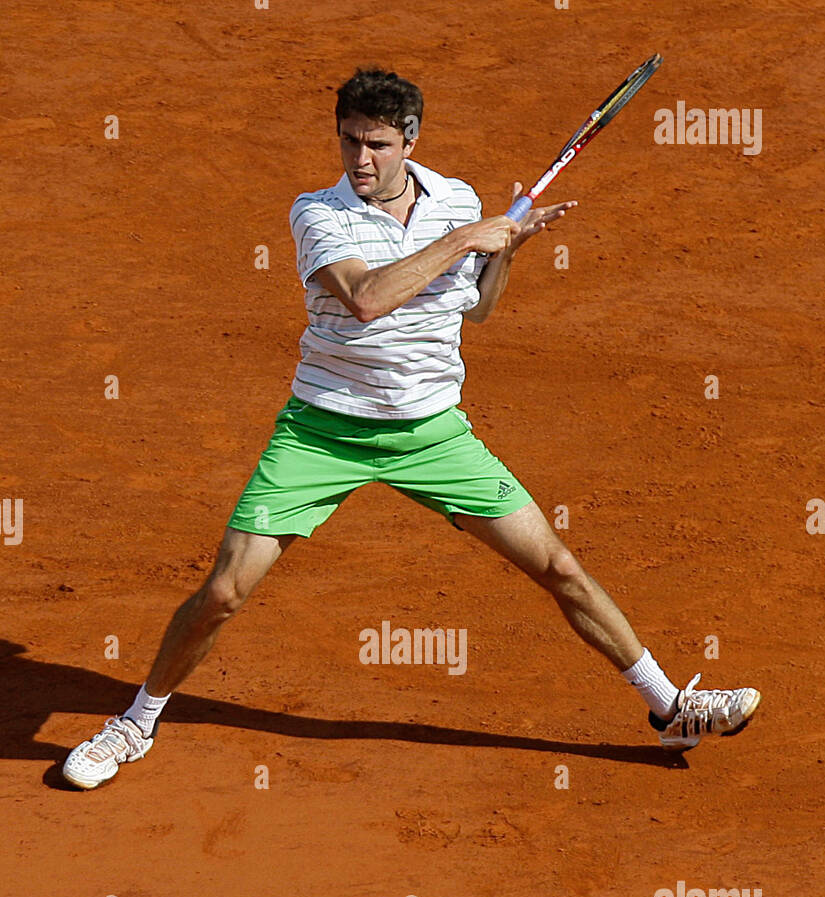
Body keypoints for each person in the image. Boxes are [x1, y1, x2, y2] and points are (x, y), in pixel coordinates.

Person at [62, 67, 760, 790]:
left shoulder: (455, 198)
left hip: (432, 434)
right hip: (322, 432)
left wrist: (504, 253)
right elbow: (366, 300)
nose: (358, 159)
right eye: (348, 141)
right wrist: (465, 238)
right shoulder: (318, 213)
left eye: (376, 144)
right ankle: (134, 724)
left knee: (557, 567)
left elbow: (477, 311)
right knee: (224, 591)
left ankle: (668, 705)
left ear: (409, 142)